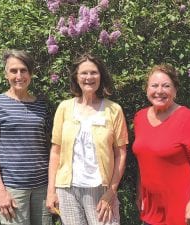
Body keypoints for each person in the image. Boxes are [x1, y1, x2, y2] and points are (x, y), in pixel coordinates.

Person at [46, 53, 128, 225]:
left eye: (94, 73)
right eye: (84, 73)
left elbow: (120, 153)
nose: (89, 77)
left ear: (101, 76)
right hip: (66, 189)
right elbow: (55, 152)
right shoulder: (64, 108)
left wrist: (111, 191)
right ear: (76, 77)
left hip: (101, 189)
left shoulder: (114, 110)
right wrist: (51, 191)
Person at [0, 49, 53, 225]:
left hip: (42, 188)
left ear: (30, 74)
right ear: (6, 74)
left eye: (23, 70)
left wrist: (52, 187)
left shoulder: (41, 105)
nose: (19, 75)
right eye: (13, 71)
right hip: (12, 189)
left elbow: (50, 148)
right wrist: (1, 191)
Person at [132, 64, 190, 225]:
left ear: (175, 91)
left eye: (166, 86)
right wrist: (140, 191)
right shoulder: (139, 117)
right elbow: (144, 158)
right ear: (147, 89)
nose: (159, 91)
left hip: (182, 203)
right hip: (152, 204)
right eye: (154, 85)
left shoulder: (187, 118)